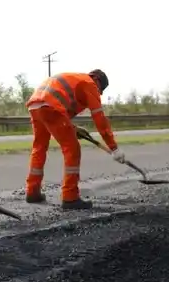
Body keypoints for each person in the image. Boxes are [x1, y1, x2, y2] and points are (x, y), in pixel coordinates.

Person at [24, 70, 128, 210]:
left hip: (35, 105)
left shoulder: (75, 79)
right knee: (72, 149)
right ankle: (70, 197)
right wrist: (114, 148)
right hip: (50, 107)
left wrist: (73, 128)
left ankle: (32, 191)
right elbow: (99, 119)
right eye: (100, 89)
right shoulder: (90, 84)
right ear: (97, 81)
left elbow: (61, 108)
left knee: (39, 147)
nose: (98, 93)